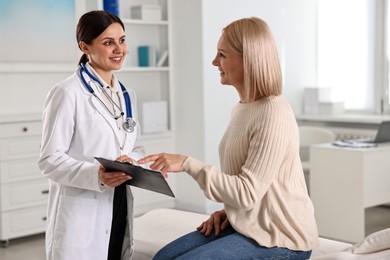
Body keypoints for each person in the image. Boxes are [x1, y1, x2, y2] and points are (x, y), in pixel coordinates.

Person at [138, 17, 319, 259]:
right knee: (163, 257)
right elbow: (256, 184)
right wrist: (231, 212)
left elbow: (247, 192)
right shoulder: (243, 108)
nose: (215, 62)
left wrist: (187, 164)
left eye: (222, 54)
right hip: (251, 225)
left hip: (284, 238)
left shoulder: (273, 112)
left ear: (249, 60)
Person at [38, 10, 144, 260]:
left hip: (117, 202)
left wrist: (134, 162)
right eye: (108, 42)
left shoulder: (127, 96)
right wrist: (97, 175)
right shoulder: (67, 92)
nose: (119, 49)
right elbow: (49, 159)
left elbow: (136, 146)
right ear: (84, 46)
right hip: (81, 211)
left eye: (122, 40)